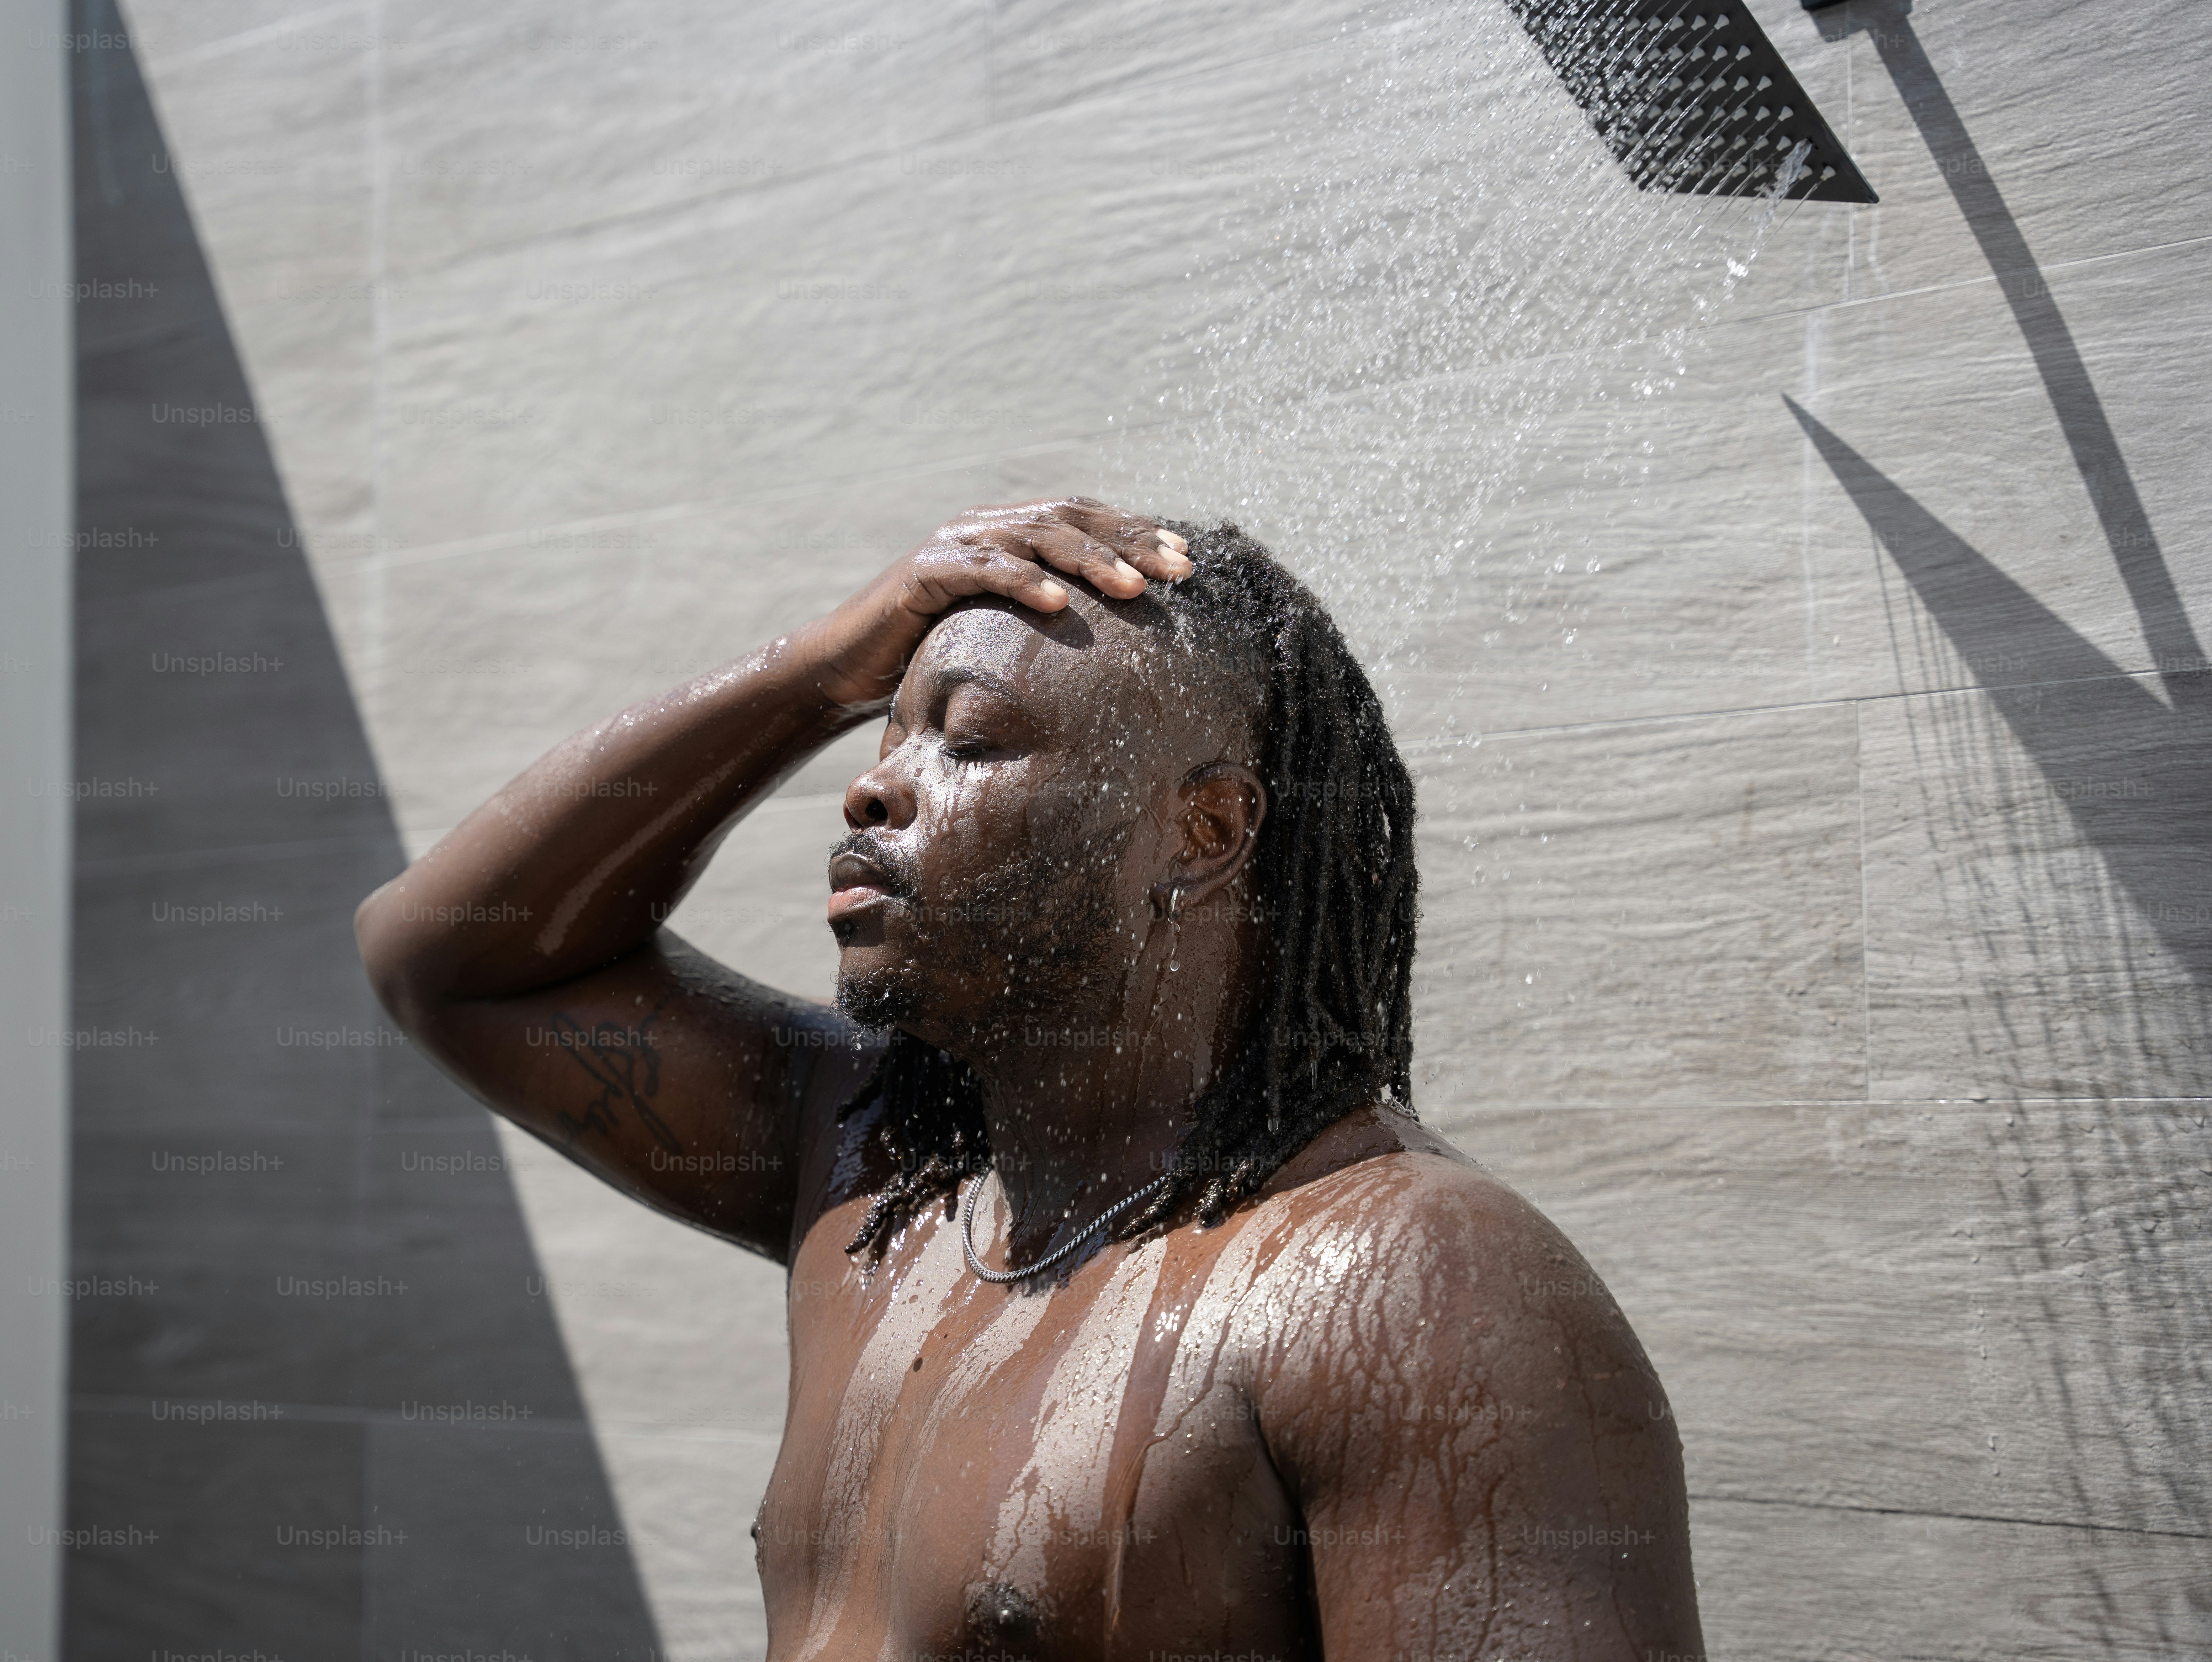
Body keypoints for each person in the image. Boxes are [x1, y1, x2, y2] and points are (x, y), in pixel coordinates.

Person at [355, 498, 1703, 1660]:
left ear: (1206, 828)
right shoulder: (887, 1177)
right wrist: (816, 667)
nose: (873, 790)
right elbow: (446, 957)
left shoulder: (1409, 1283)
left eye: (972, 741)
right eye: (883, 733)